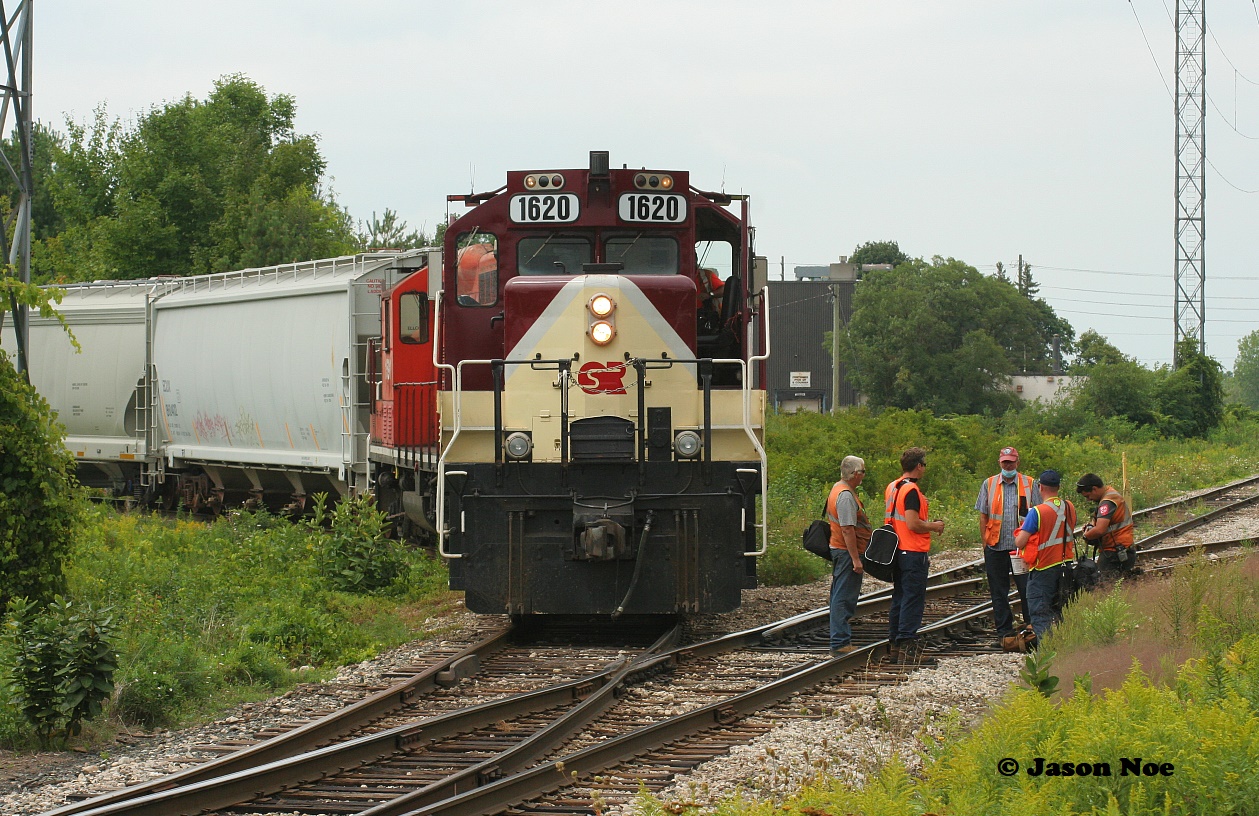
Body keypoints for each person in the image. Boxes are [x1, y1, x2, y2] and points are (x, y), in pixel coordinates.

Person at [884, 447, 945, 662]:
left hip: (896, 551)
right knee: (912, 599)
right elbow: (913, 523)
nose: (924, 469)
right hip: (912, 551)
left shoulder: (893, 486)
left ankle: (895, 646)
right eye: (924, 465)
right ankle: (908, 648)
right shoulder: (911, 491)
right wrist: (934, 526)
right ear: (918, 466)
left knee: (899, 598)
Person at [974, 446, 1040, 643]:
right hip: (996, 546)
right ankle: (1004, 632)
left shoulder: (1029, 483)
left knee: (1027, 589)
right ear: (1000, 463)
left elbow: (1038, 513)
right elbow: (983, 515)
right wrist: (985, 543)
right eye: (1005, 462)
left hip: (1023, 548)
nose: (1008, 465)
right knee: (998, 591)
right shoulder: (989, 484)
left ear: (1017, 462)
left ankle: (1031, 629)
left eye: (1011, 461)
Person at [1014, 469, 1077, 641]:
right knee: (1062, 611)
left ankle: (1047, 657)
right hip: (1066, 567)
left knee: (1041, 615)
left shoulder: (1037, 512)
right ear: (1058, 487)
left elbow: (1020, 542)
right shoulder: (1069, 507)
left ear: (1040, 487)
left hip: (1043, 568)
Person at [827, 455, 872, 658]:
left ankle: (840, 639)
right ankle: (839, 642)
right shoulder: (845, 495)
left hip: (841, 550)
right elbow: (847, 530)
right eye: (863, 471)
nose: (863, 475)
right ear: (855, 474)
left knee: (840, 594)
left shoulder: (840, 488)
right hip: (846, 552)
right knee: (843, 596)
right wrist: (856, 559)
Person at [1075, 473, 1137, 577]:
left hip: (1114, 552)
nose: (1088, 499)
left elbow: (1100, 530)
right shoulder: (1111, 494)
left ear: (1094, 489)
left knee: (1104, 589)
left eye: (1088, 496)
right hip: (1123, 548)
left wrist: (1087, 535)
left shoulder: (1107, 502)